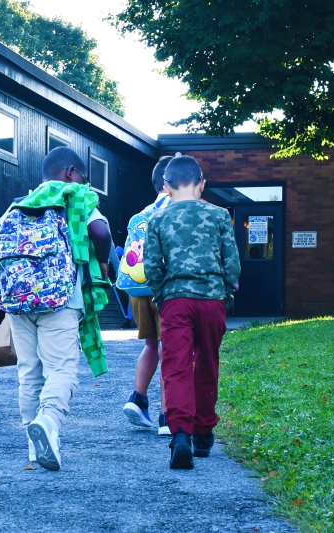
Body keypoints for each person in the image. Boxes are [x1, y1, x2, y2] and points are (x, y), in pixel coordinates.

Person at [0, 146, 112, 471]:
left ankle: (33, 444)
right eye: (83, 176)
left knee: (29, 371)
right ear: (69, 172)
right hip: (60, 298)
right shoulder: (74, 197)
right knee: (62, 367)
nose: (86, 183)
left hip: (19, 301)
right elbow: (101, 232)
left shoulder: (18, 204)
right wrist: (103, 262)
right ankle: (49, 421)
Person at [143, 155, 240, 469]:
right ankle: (204, 431)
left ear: (167, 188)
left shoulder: (157, 220)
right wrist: (225, 297)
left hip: (176, 301)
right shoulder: (220, 215)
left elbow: (151, 267)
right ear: (202, 185)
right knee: (208, 363)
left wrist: (162, 297)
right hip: (212, 300)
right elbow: (232, 264)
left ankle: (181, 433)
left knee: (177, 367)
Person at [122, 156, 172, 435]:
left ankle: (138, 398)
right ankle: (168, 414)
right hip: (163, 289)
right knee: (172, 349)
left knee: (152, 345)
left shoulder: (140, 214)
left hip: (138, 288)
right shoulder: (176, 212)